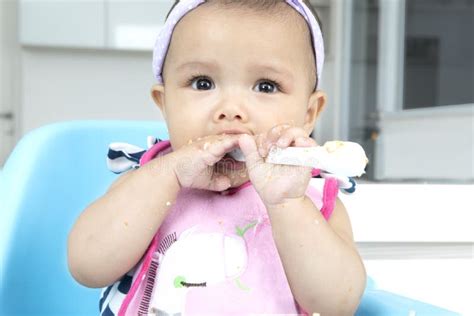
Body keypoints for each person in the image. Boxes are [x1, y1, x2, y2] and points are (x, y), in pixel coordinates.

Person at [67, 0, 367, 315]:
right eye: (203, 83)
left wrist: (288, 205)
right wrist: (166, 176)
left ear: (308, 114)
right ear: (164, 102)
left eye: (266, 86)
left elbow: (339, 303)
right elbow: (87, 267)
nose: (231, 109)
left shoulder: (309, 197)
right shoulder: (147, 181)